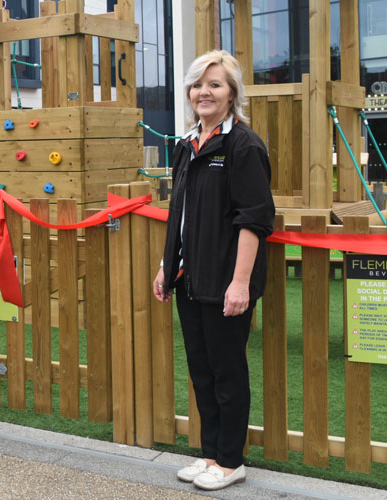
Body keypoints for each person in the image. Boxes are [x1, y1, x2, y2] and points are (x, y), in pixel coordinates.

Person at [152, 50, 274, 491]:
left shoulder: (243, 145)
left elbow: (254, 219)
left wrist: (240, 282)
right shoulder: (187, 144)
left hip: (226, 282)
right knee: (202, 371)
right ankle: (209, 457)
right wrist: (167, 265)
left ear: (231, 94)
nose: (204, 91)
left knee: (227, 371)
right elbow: (179, 213)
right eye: (198, 84)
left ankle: (230, 461)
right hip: (190, 279)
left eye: (215, 84)